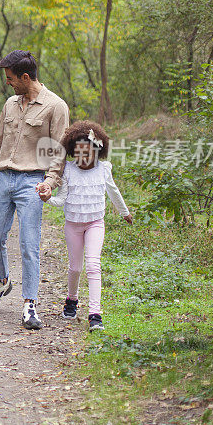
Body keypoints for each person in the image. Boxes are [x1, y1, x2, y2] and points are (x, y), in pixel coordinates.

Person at [0, 50, 69, 330]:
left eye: (11, 79)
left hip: (31, 182)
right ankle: (2, 281)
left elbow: (58, 152)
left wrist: (50, 182)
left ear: (26, 77)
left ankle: (29, 304)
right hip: (2, 178)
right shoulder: (10, 104)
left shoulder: (55, 106)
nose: (8, 83)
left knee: (28, 244)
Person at [44, 121, 133, 331]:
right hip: (73, 224)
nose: (83, 159)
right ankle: (72, 300)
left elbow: (113, 192)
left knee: (93, 265)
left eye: (88, 154)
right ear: (73, 153)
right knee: (75, 267)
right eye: (78, 154)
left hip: (95, 223)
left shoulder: (104, 170)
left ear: (97, 152)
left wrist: (124, 212)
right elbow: (61, 199)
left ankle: (95, 314)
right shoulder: (68, 172)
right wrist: (46, 197)